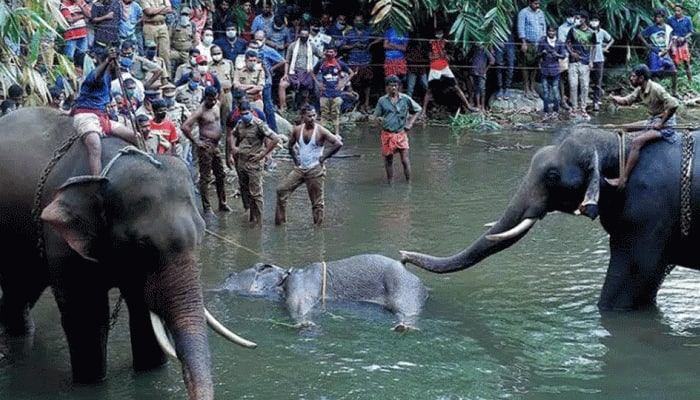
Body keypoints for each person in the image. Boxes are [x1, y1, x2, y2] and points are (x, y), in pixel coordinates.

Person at [605, 64, 680, 189]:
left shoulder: (656, 89)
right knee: (623, 127)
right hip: (653, 120)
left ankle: (623, 179)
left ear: (641, 78)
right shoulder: (640, 89)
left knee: (637, 142)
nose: (631, 78)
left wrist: (661, 123)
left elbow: (674, 105)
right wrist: (614, 99)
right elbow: (627, 101)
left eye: (634, 76)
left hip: (666, 125)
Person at [70, 46, 140, 176]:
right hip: (86, 116)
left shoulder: (108, 77)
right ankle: (97, 180)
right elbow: (97, 76)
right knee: (95, 144)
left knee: (136, 136)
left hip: (103, 117)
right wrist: (107, 61)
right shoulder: (94, 74)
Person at [275, 104, 342, 226]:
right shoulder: (297, 130)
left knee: (317, 202)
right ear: (302, 117)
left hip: (315, 169)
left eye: (314, 115)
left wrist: (324, 157)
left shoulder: (320, 130)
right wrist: (295, 158)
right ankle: (280, 224)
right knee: (281, 190)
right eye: (309, 116)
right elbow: (290, 146)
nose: (312, 118)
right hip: (301, 168)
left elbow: (338, 143)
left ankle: (318, 230)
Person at [226, 101, 280, 225]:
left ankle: (259, 222)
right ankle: (250, 217)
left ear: (251, 111)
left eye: (247, 113)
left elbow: (275, 138)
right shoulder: (240, 124)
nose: (245, 116)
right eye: (243, 114)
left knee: (256, 194)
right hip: (241, 161)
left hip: (254, 162)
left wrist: (264, 154)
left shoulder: (259, 124)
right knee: (245, 191)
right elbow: (232, 135)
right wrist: (232, 147)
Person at [181, 86, 232, 213]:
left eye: (214, 99)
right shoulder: (200, 110)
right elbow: (185, 127)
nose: (213, 102)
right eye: (210, 100)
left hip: (216, 145)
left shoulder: (217, 104)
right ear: (205, 98)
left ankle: (222, 203)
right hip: (206, 145)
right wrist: (196, 141)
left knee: (220, 174)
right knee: (205, 177)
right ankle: (207, 207)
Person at [372, 75, 422, 183]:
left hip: (400, 133)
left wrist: (410, 123)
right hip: (387, 133)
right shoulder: (382, 101)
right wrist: (377, 121)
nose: (393, 88)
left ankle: (409, 182)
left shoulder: (405, 98)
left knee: (404, 160)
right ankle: (390, 182)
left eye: (395, 85)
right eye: (391, 86)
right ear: (387, 88)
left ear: (398, 86)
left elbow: (418, 110)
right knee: (388, 160)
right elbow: (375, 116)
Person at [312, 46, 354, 138]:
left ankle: (337, 134)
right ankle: (322, 134)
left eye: (332, 52)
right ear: (325, 52)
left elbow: (351, 73)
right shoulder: (321, 63)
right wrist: (318, 84)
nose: (329, 54)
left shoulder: (340, 64)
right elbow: (312, 72)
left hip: (336, 93)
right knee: (324, 113)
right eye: (328, 52)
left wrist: (343, 82)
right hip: (324, 93)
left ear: (335, 53)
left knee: (336, 113)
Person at [638, 8, 678, 96]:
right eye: (656, 17)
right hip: (654, 52)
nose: (657, 19)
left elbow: (671, 39)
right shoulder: (651, 28)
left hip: (665, 52)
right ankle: (656, 94)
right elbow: (640, 35)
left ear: (663, 18)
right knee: (654, 73)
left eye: (659, 17)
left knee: (674, 71)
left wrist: (667, 48)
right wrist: (647, 45)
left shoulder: (667, 28)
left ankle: (674, 92)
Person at [565, 9, 595, 118]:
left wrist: (591, 61)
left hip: (585, 62)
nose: (577, 20)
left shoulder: (591, 33)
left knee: (585, 86)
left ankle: (583, 108)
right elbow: (567, 43)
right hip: (573, 62)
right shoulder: (572, 30)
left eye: (579, 18)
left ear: (584, 19)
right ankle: (574, 108)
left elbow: (593, 47)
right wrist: (571, 53)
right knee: (573, 85)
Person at [286, 28, 323, 111]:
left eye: (306, 35)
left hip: (307, 73)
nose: (304, 37)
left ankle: (303, 109)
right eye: (302, 35)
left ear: (308, 36)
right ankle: (294, 108)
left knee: (305, 92)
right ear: (299, 35)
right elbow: (287, 61)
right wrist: (285, 73)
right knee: (297, 89)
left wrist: (316, 68)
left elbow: (321, 57)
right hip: (294, 72)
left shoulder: (312, 46)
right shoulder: (292, 46)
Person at [517, 0, 546, 99]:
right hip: (528, 42)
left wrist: (544, 42)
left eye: (538, 4)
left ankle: (532, 87)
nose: (537, 5)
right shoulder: (523, 12)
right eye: (535, 4)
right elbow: (521, 27)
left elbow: (543, 27)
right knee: (526, 66)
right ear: (530, 3)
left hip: (539, 43)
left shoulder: (541, 13)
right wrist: (523, 42)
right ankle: (526, 88)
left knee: (535, 66)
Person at [537, 25, 567, 120]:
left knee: (555, 91)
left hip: (555, 69)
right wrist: (542, 53)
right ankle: (546, 111)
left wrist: (556, 54)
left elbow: (563, 56)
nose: (551, 33)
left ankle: (556, 110)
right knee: (545, 91)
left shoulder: (559, 43)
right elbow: (537, 54)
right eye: (550, 31)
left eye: (553, 31)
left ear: (556, 32)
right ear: (547, 32)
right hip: (544, 69)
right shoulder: (542, 42)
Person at [589, 15, 614, 112]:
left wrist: (606, 48)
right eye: (592, 20)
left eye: (595, 20)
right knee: (585, 80)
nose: (594, 22)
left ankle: (596, 102)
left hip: (599, 58)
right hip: (588, 58)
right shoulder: (587, 32)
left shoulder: (602, 32)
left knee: (598, 82)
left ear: (599, 21)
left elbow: (611, 39)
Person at [557, 8, 579, 110]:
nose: (572, 18)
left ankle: (572, 99)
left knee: (575, 78)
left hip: (577, 56)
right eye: (570, 16)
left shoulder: (578, 27)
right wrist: (570, 53)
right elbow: (562, 43)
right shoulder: (562, 28)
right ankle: (562, 99)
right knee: (562, 77)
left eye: (573, 17)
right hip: (565, 55)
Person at [141, 0, 172, 70]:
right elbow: (149, 12)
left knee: (165, 52)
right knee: (151, 51)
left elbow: (169, 9)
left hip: (163, 25)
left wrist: (155, 11)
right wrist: (163, 7)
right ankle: (150, 73)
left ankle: (165, 75)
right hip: (150, 26)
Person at [666, 4, 694, 82]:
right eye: (675, 11)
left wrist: (684, 37)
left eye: (678, 10)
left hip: (683, 42)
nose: (677, 12)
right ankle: (675, 82)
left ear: (682, 11)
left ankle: (690, 81)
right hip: (674, 43)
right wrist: (673, 37)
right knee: (674, 62)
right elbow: (668, 31)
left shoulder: (687, 19)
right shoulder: (670, 19)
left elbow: (691, 31)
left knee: (686, 62)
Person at [60, 0, 91, 65]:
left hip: (83, 35)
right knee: (69, 59)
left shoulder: (81, 2)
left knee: (82, 58)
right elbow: (69, 20)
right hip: (71, 36)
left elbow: (89, 15)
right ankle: (68, 74)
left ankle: (80, 74)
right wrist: (82, 16)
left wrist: (80, 6)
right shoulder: (64, 4)